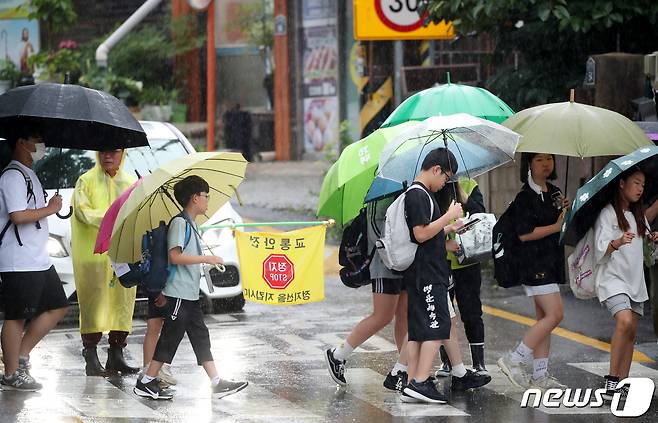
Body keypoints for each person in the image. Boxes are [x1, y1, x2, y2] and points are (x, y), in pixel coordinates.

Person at [134, 175, 248, 400]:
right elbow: (174, 257)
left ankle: (217, 381)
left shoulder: (191, 224)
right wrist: (206, 260)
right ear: (195, 198)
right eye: (206, 196)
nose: (207, 200)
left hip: (189, 294)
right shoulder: (180, 223)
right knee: (170, 338)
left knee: (200, 336)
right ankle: (146, 381)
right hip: (178, 294)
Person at [0, 129, 68, 391]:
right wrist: (51, 209)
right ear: (21, 142)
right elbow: (18, 216)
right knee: (16, 317)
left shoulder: (29, 174)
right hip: (19, 260)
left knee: (58, 306)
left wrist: (50, 206)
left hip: (37, 258)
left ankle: (20, 354)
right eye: (37, 139)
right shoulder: (12, 176)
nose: (42, 144)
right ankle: (11, 373)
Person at [497, 153, 569, 390]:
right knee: (555, 315)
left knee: (544, 320)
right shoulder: (524, 197)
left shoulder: (555, 192)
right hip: (533, 263)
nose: (546, 164)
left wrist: (565, 211)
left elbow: (560, 225)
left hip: (549, 261)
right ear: (529, 164)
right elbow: (524, 233)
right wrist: (556, 226)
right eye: (539, 160)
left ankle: (540, 375)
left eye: (549, 159)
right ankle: (514, 359)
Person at [324, 197, 410, 391]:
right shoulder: (382, 191)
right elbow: (376, 229)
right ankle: (338, 354)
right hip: (385, 263)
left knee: (404, 315)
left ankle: (405, 368)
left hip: (406, 262)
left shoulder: (406, 188)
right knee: (382, 316)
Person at [400, 148, 465, 404]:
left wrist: (449, 227)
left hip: (421, 271)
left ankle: (411, 384)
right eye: (446, 178)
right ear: (436, 169)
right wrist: (448, 216)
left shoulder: (420, 194)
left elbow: (427, 232)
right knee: (438, 326)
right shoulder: (418, 195)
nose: (444, 184)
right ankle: (420, 381)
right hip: (428, 273)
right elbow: (421, 234)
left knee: (419, 331)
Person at [71, 149, 139, 376]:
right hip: (93, 257)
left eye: (114, 151)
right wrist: (112, 216)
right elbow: (83, 212)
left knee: (122, 303)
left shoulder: (132, 184)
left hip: (122, 256)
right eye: (104, 151)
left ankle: (116, 355)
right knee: (93, 305)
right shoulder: (85, 181)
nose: (108, 156)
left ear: (123, 154)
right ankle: (90, 356)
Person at [593, 168, 656, 400]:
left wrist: (651, 239)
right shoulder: (608, 214)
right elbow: (600, 250)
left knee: (631, 331)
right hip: (612, 279)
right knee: (625, 321)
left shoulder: (638, 216)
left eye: (643, 185)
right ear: (621, 183)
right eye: (636, 183)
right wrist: (617, 242)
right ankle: (612, 379)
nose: (640, 188)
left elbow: (646, 249)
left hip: (635, 281)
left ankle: (624, 382)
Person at [435, 177, 488, 376]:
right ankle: (446, 361)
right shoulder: (433, 187)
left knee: (472, 310)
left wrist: (465, 198)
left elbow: (481, 216)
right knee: (444, 312)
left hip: (468, 260)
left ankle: (479, 362)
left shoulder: (469, 185)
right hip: (442, 260)